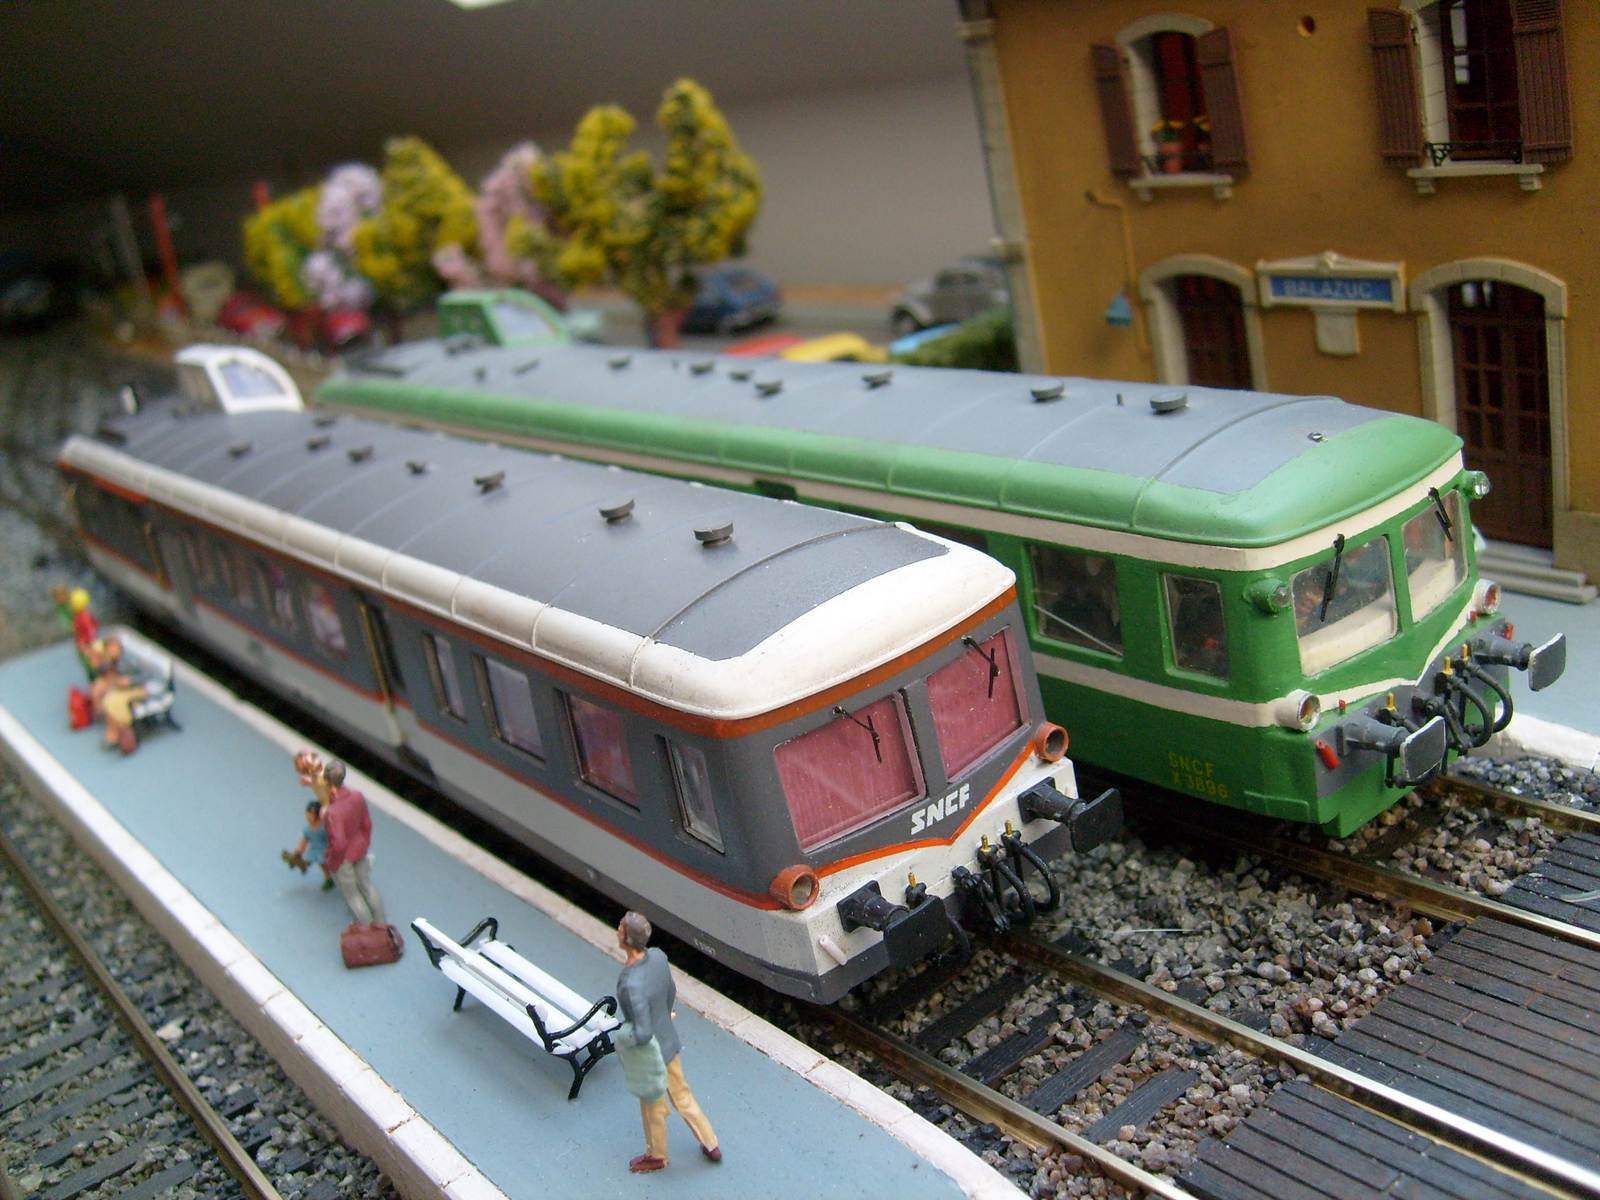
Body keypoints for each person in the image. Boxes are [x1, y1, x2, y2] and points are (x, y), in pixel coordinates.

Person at [615, 911, 720, 1174]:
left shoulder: (630, 983)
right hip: (669, 1039)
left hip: (650, 1055)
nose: (617, 930)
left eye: (620, 928)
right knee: (683, 1095)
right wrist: (665, 1013)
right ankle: (710, 1142)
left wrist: (624, 1037)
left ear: (627, 939)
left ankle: (657, 1155)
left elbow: (642, 1032)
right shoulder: (659, 958)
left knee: (653, 1107)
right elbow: (671, 990)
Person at [321, 760, 387, 929]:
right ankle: (381, 925)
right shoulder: (358, 797)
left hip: (344, 858)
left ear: (328, 782)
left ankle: (367, 931)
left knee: (352, 896)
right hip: (360, 850)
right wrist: (364, 843)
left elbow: (339, 844)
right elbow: (367, 824)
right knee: (367, 886)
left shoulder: (333, 812)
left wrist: (332, 861)